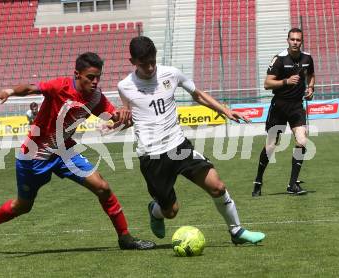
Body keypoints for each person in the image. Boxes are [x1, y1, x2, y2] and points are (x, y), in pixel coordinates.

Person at [0, 52, 155, 250]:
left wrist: (123, 117)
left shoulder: (96, 98)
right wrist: (7, 91)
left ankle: (125, 238)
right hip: (34, 156)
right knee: (23, 206)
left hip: (64, 151)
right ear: (77, 74)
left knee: (102, 187)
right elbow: (30, 88)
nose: (95, 82)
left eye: (98, 77)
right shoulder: (60, 86)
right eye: (90, 77)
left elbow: (115, 118)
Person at [117, 36, 265, 245]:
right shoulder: (125, 86)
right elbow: (129, 118)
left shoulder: (171, 73)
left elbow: (198, 94)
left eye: (152, 61)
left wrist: (225, 110)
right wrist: (116, 122)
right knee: (171, 211)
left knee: (217, 186)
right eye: (144, 64)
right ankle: (156, 210)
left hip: (179, 147)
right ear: (133, 62)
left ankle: (237, 232)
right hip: (152, 156)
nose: (150, 67)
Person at [252, 28, 315, 197]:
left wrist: (310, 88)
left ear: (302, 41)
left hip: (296, 106)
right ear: (287, 40)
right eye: (292, 39)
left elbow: (311, 75)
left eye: (298, 40)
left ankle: (292, 184)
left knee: (302, 140)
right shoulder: (279, 59)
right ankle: (258, 181)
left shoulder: (307, 58)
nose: (295, 42)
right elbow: (267, 84)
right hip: (279, 107)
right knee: (271, 146)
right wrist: (286, 81)